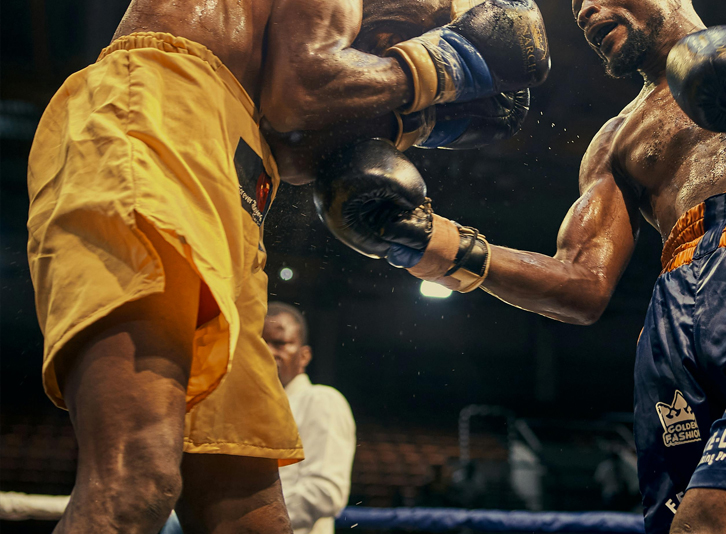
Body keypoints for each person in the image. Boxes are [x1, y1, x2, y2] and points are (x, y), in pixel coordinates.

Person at [314, 0, 726, 532]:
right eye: (577, 4)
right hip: (678, 312)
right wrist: (435, 245)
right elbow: (582, 285)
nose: (585, 10)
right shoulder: (615, 142)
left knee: (715, 517)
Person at [25, 0, 549, 529]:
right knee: (135, 484)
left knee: (249, 514)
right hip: (160, 114)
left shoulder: (293, 49)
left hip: (237, 173)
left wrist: (411, 114)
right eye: (423, 32)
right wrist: (448, 64)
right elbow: (301, 93)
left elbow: (296, 152)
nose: (388, 51)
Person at [265, 302, 356, 534]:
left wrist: (249, 519)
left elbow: (324, 492)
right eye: (259, 343)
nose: (267, 352)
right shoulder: (247, 409)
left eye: (279, 343)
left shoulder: (321, 400)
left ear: (304, 355)